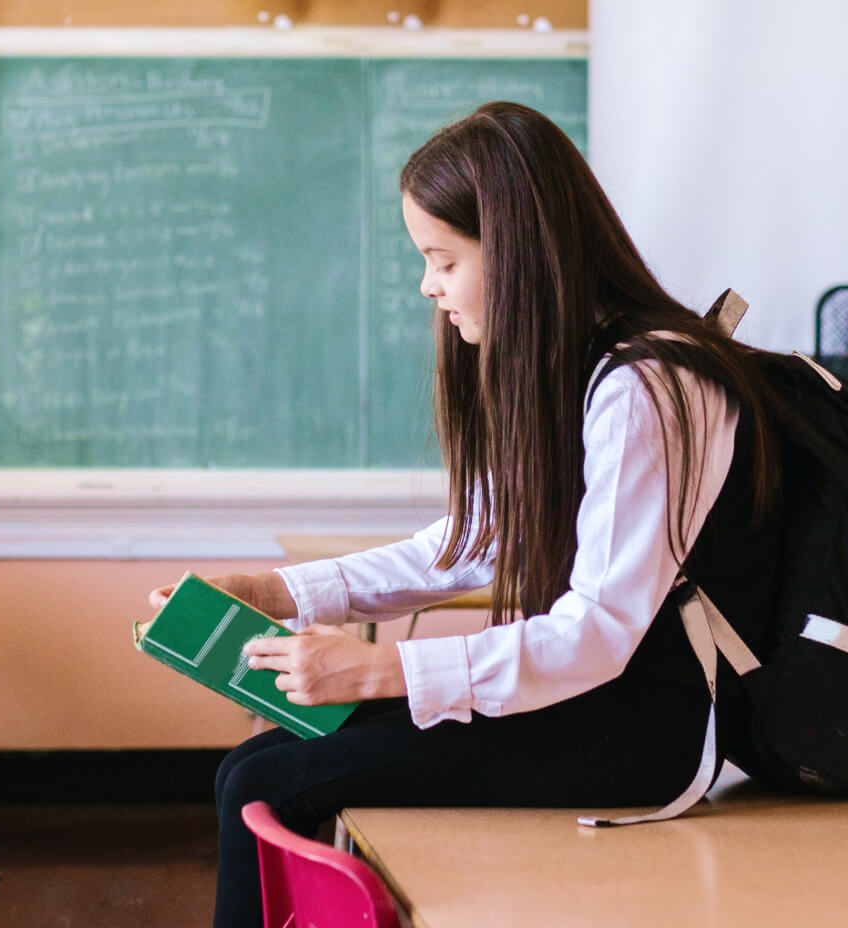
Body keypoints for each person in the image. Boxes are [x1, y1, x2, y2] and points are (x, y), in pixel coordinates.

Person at [149, 101, 784, 928]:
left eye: (443, 259)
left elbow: (598, 632)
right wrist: (274, 591)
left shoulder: (646, 388)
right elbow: (470, 544)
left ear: (517, 252)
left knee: (264, 780)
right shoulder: (583, 368)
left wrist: (382, 671)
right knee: (257, 766)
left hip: (641, 734)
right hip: (585, 704)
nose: (428, 285)